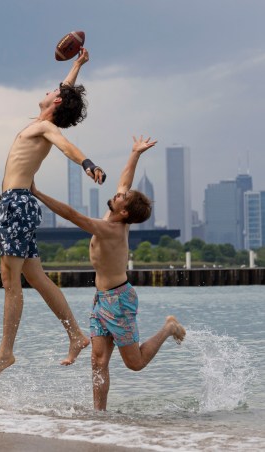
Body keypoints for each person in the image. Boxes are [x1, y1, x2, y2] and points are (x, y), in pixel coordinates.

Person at [31, 135, 186, 410]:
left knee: (134, 363)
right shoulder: (113, 216)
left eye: (120, 198)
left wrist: (38, 193)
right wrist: (135, 152)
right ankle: (99, 417)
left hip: (120, 301)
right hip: (102, 299)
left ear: (124, 211)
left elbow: (71, 215)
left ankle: (169, 327)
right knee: (98, 361)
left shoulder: (111, 228)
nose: (117, 193)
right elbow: (125, 181)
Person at [0, 48, 106, 381]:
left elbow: (66, 145)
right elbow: (63, 93)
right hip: (15, 203)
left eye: (54, 92)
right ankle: (76, 335)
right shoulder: (40, 123)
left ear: (55, 104)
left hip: (17, 204)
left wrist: (87, 164)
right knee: (35, 276)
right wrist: (77, 65)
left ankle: (6, 352)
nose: (51, 90)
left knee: (11, 282)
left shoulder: (46, 129)